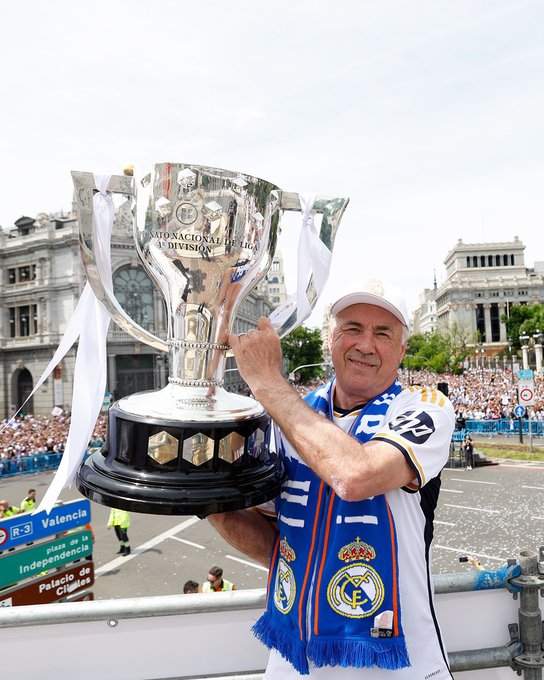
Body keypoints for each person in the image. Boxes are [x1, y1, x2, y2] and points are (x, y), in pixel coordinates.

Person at [208, 277, 455, 679]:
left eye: (382, 333)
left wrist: (269, 382)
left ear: (403, 347)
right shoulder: (293, 416)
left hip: (398, 662)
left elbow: (356, 476)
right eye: (352, 328)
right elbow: (277, 547)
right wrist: (211, 501)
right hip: (294, 658)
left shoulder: (425, 406)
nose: (365, 345)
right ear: (330, 338)